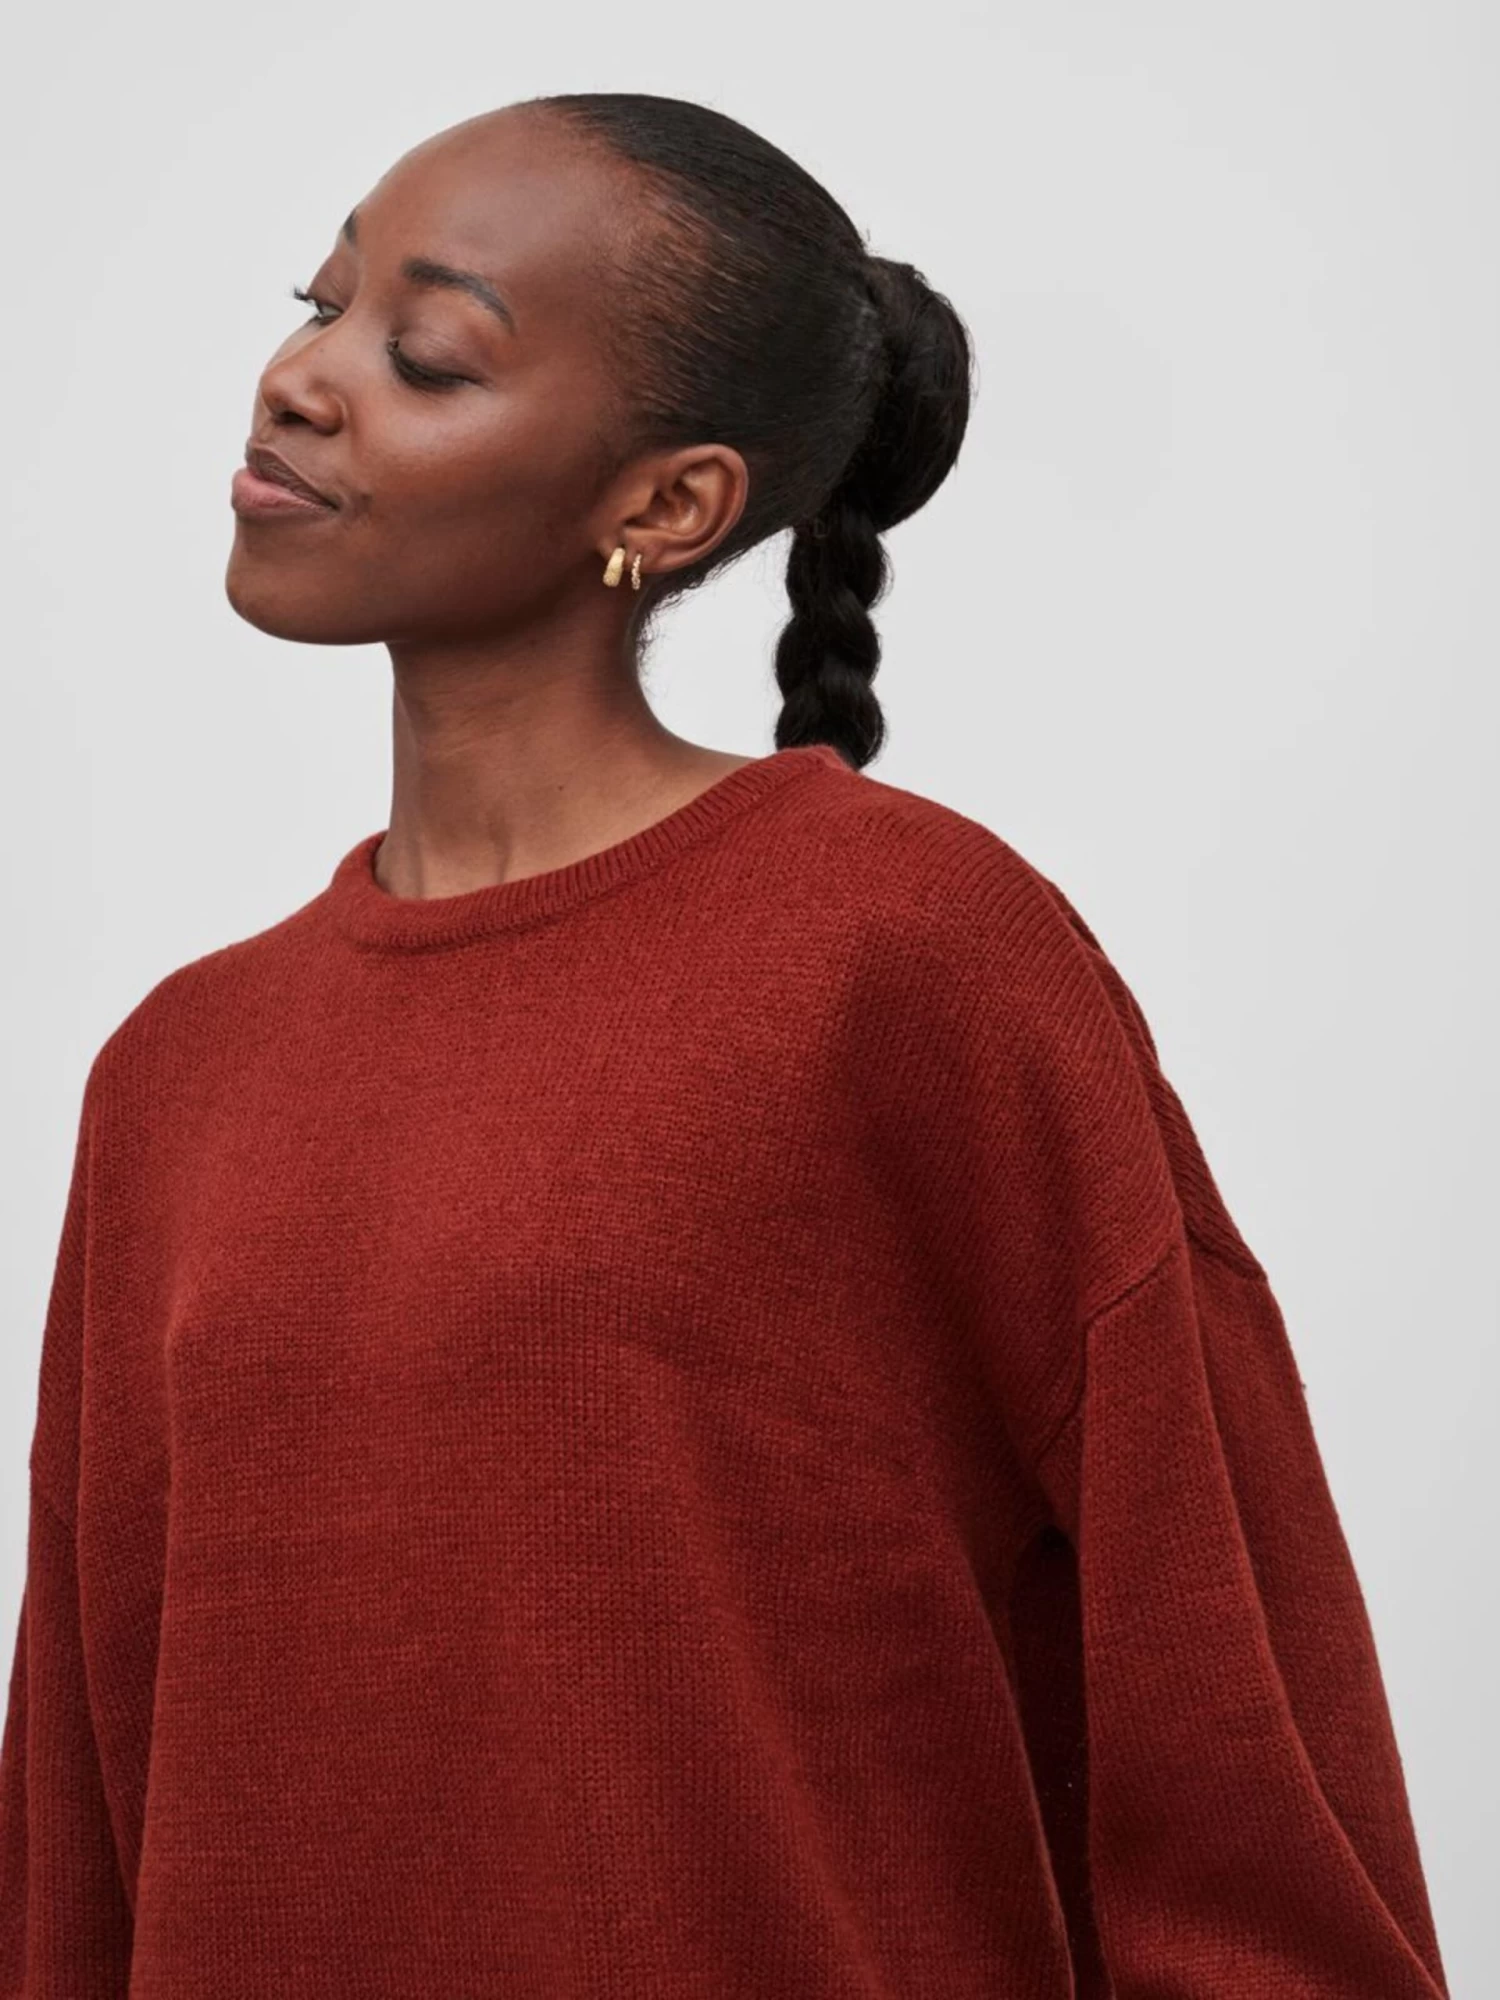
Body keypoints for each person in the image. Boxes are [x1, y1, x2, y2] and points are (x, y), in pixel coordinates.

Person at [0, 92, 1449, 1999]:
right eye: (320, 304)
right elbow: (76, 1830)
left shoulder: (907, 955)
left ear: (667, 505)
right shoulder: (179, 1071)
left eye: (425, 357)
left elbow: (1232, 1734)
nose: (298, 381)